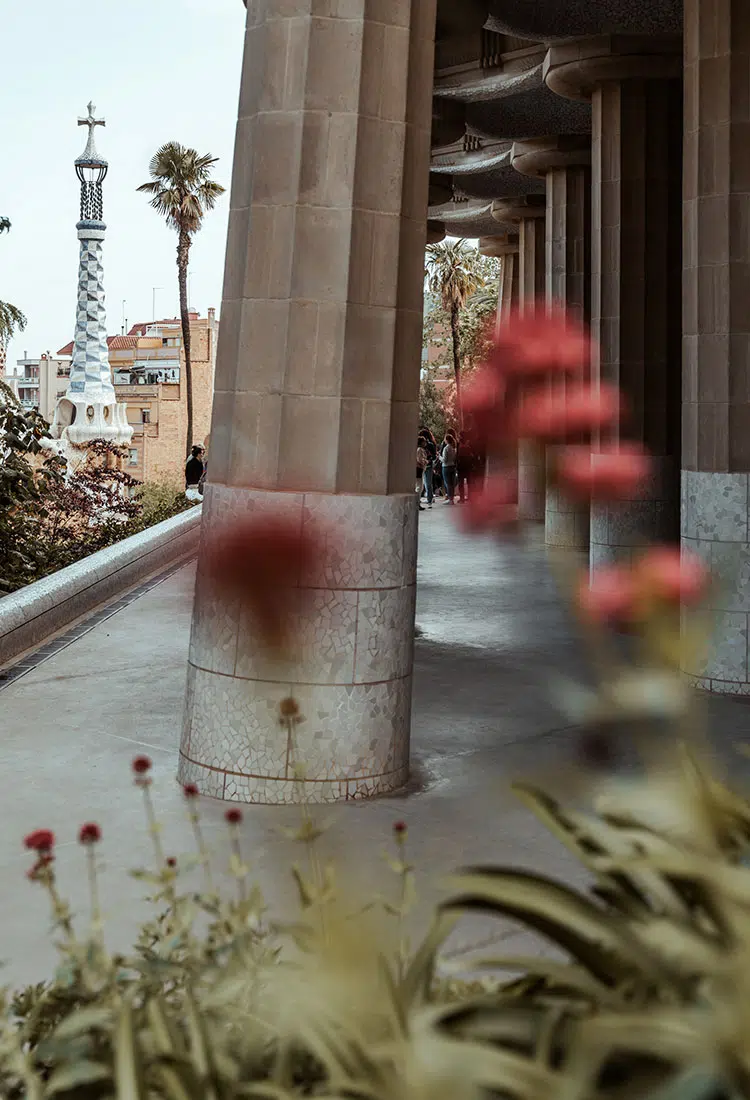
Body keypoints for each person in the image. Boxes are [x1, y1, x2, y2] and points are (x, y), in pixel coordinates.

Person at [440, 432, 458, 503]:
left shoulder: (446, 448)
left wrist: (439, 457)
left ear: (446, 440)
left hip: (446, 467)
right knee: (452, 484)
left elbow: (444, 460)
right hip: (452, 467)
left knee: (448, 483)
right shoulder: (453, 448)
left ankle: (450, 499)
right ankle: (452, 499)